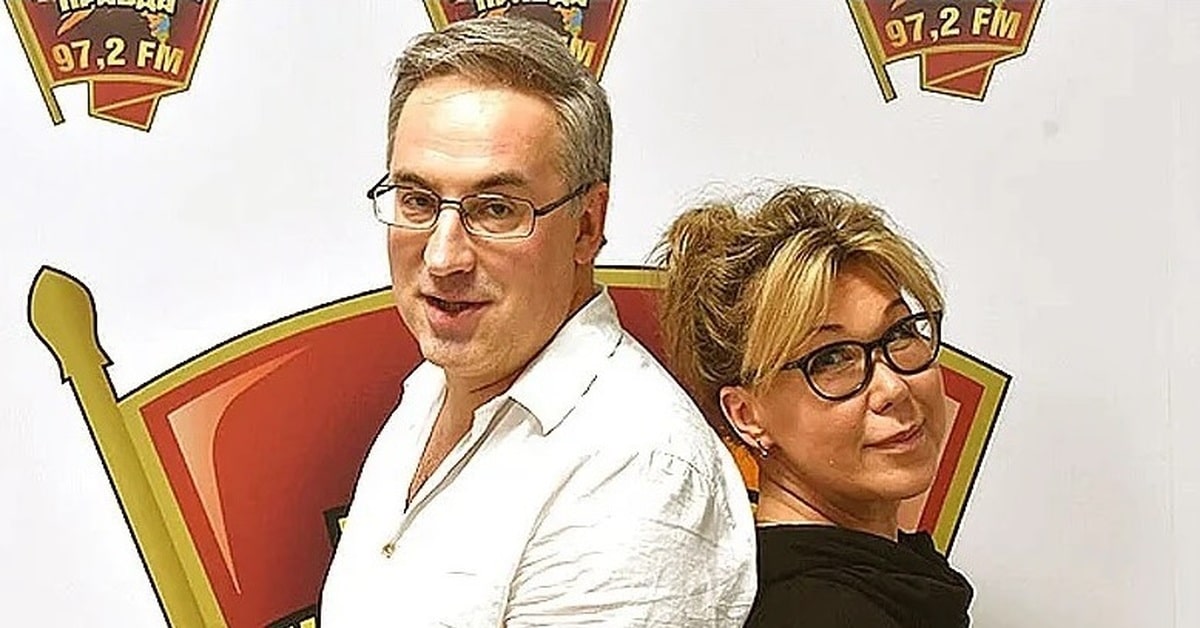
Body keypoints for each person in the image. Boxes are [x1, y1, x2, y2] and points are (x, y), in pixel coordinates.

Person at [319, 16, 756, 626]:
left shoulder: (635, 468)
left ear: (587, 226)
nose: (443, 257)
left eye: (496, 209)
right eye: (417, 201)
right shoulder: (435, 389)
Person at [656, 184, 974, 627]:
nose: (893, 388)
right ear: (746, 416)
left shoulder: (888, 580)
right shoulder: (816, 612)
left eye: (901, 331)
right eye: (831, 359)